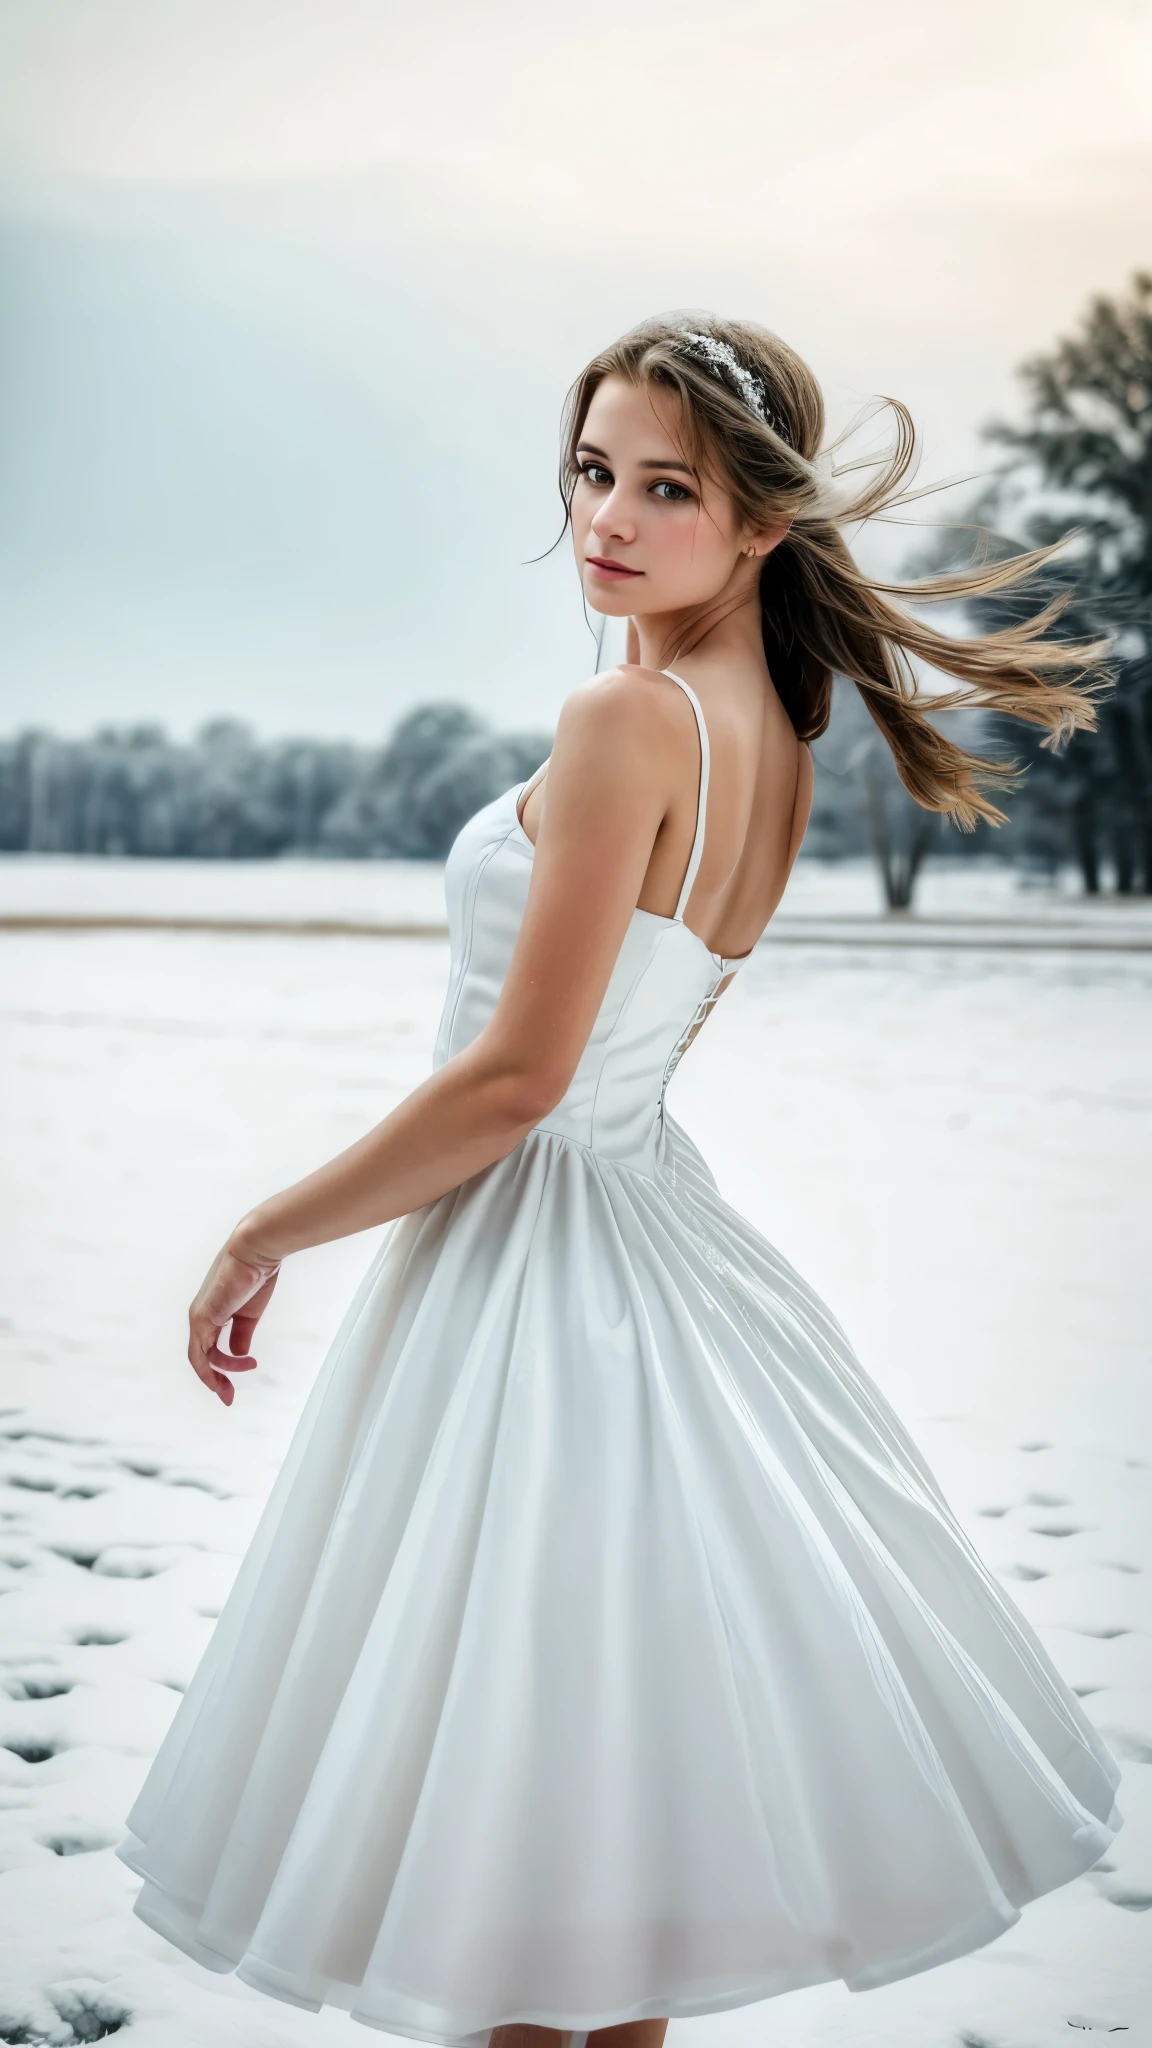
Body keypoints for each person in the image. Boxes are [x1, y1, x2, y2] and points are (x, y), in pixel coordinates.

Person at [115, 314, 1121, 2048]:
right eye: (593, 471)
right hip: (650, 1258)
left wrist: (259, 1228)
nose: (612, 517)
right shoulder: (777, 733)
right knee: (590, 1874)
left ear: (761, 527)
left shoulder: (629, 717)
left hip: (546, 1279)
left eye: (670, 487)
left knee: (516, 1874)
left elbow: (516, 1085)